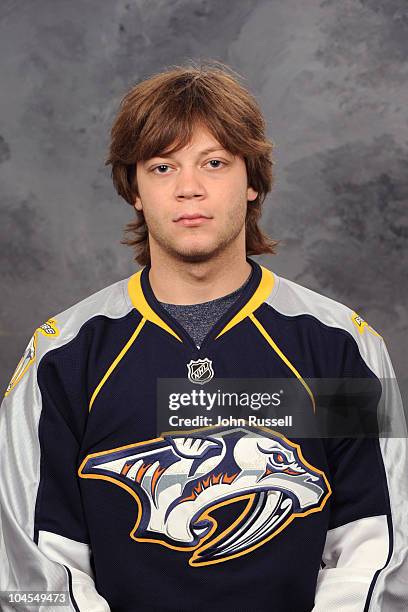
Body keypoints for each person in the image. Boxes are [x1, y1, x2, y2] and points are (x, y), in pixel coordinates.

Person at [1, 61, 407, 612]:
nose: (189, 188)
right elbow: (34, 560)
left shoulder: (339, 347)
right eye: (162, 167)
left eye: (213, 163)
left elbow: (376, 547)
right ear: (135, 190)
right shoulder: (64, 354)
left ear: (253, 182)